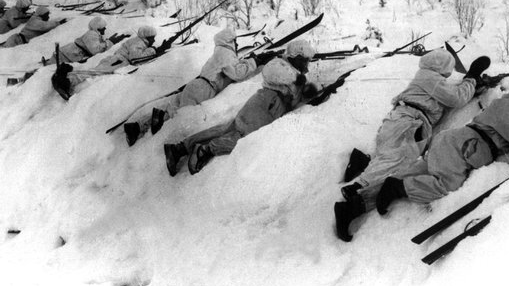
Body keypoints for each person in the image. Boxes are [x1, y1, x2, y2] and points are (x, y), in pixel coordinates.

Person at [335, 74, 509, 242]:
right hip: (462, 149)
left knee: (413, 173)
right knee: (443, 186)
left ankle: (354, 206)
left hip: (452, 143)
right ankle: (397, 188)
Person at [334, 49, 486, 242]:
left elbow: (448, 95)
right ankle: (356, 187)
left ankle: (359, 174)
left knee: (390, 160)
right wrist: (472, 77)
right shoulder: (430, 78)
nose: (449, 73)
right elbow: (456, 98)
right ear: (442, 66)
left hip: (401, 120)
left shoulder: (427, 79)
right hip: (409, 123)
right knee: (395, 161)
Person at [162, 40, 317, 177]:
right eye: (304, 61)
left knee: (227, 129)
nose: (306, 66)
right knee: (245, 139)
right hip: (266, 104)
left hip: (268, 106)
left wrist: (307, 91)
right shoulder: (280, 63)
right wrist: (297, 79)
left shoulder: (294, 71)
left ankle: (179, 148)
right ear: (295, 56)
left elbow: (296, 95)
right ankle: (206, 150)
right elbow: (270, 72)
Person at [122, 25, 278, 146]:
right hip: (204, 89)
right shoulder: (226, 53)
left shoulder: (219, 52)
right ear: (230, 41)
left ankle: (137, 126)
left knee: (173, 108)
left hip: (195, 85)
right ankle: (169, 140)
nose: (236, 44)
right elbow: (236, 73)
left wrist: (246, 60)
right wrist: (255, 61)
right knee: (182, 116)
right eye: (235, 41)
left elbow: (232, 66)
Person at [51, 25, 158, 100]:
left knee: (93, 71)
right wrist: (153, 50)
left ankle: (66, 76)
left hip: (115, 59)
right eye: (153, 38)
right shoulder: (139, 42)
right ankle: (66, 82)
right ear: (147, 37)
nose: (154, 40)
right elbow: (135, 58)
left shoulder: (137, 40)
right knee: (94, 72)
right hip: (118, 61)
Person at [46, 16, 125, 64]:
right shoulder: (91, 34)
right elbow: (95, 50)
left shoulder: (94, 34)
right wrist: (110, 42)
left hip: (68, 53)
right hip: (65, 55)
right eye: (103, 27)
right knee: (49, 67)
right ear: (98, 28)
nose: (105, 29)